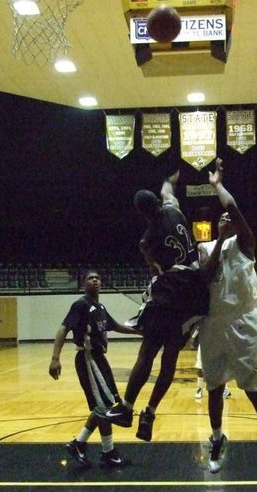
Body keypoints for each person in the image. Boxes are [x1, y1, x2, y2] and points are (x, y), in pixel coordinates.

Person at [102, 170, 209, 442]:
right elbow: (168, 192)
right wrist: (169, 181)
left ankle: (126, 409)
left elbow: (156, 266)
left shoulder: (146, 240)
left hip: (173, 291)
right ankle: (149, 412)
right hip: (196, 292)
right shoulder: (175, 211)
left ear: (143, 214)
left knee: (147, 352)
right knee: (170, 356)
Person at [195, 158, 257, 473]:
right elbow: (204, 277)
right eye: (224, 216)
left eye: (232, 215)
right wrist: (217, 242)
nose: (228, 215)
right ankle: (217, 438)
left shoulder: (246, 242)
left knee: (253, 387)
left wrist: (218, 185)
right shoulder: (206, 248)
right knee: (215, 386)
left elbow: (233, 205)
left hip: (244, 322)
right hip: (214, 323)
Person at [49, 270, 142, 468]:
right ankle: (108, 452)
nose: (95, 280)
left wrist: (141, 332)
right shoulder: (80, 305)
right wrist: (55, 358)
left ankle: (79, 444)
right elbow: (63, 329)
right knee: (104, 408)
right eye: (91, 278)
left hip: (99, 359)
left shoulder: (99, 307)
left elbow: (115, 325)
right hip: (88, 358)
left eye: (98, 278)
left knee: (104, 404)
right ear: (84, 284)